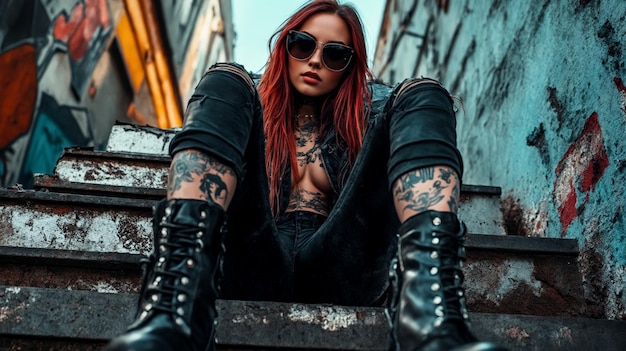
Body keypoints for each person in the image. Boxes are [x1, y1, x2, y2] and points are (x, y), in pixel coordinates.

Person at [103, 1, 508, 350]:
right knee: (225, 75)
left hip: (345, 266)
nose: (315, 60)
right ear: (286, 45)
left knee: (423, 91)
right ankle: (174, 312)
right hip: (252, 261)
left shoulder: (373, 111)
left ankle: (434, 320)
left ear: (350, 66)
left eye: (335, 54)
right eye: (303, 44)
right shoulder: (246, 103)